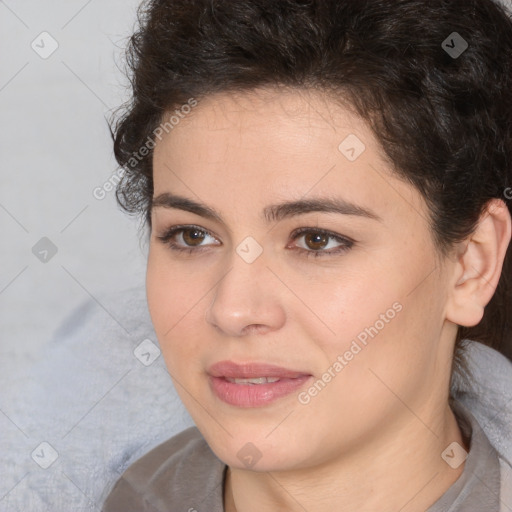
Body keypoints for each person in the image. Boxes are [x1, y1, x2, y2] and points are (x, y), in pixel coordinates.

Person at [102, 0, 512, 510]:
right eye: (191, 236)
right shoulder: (134, 496)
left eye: (317, 239)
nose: (232, 310)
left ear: (471, 265)